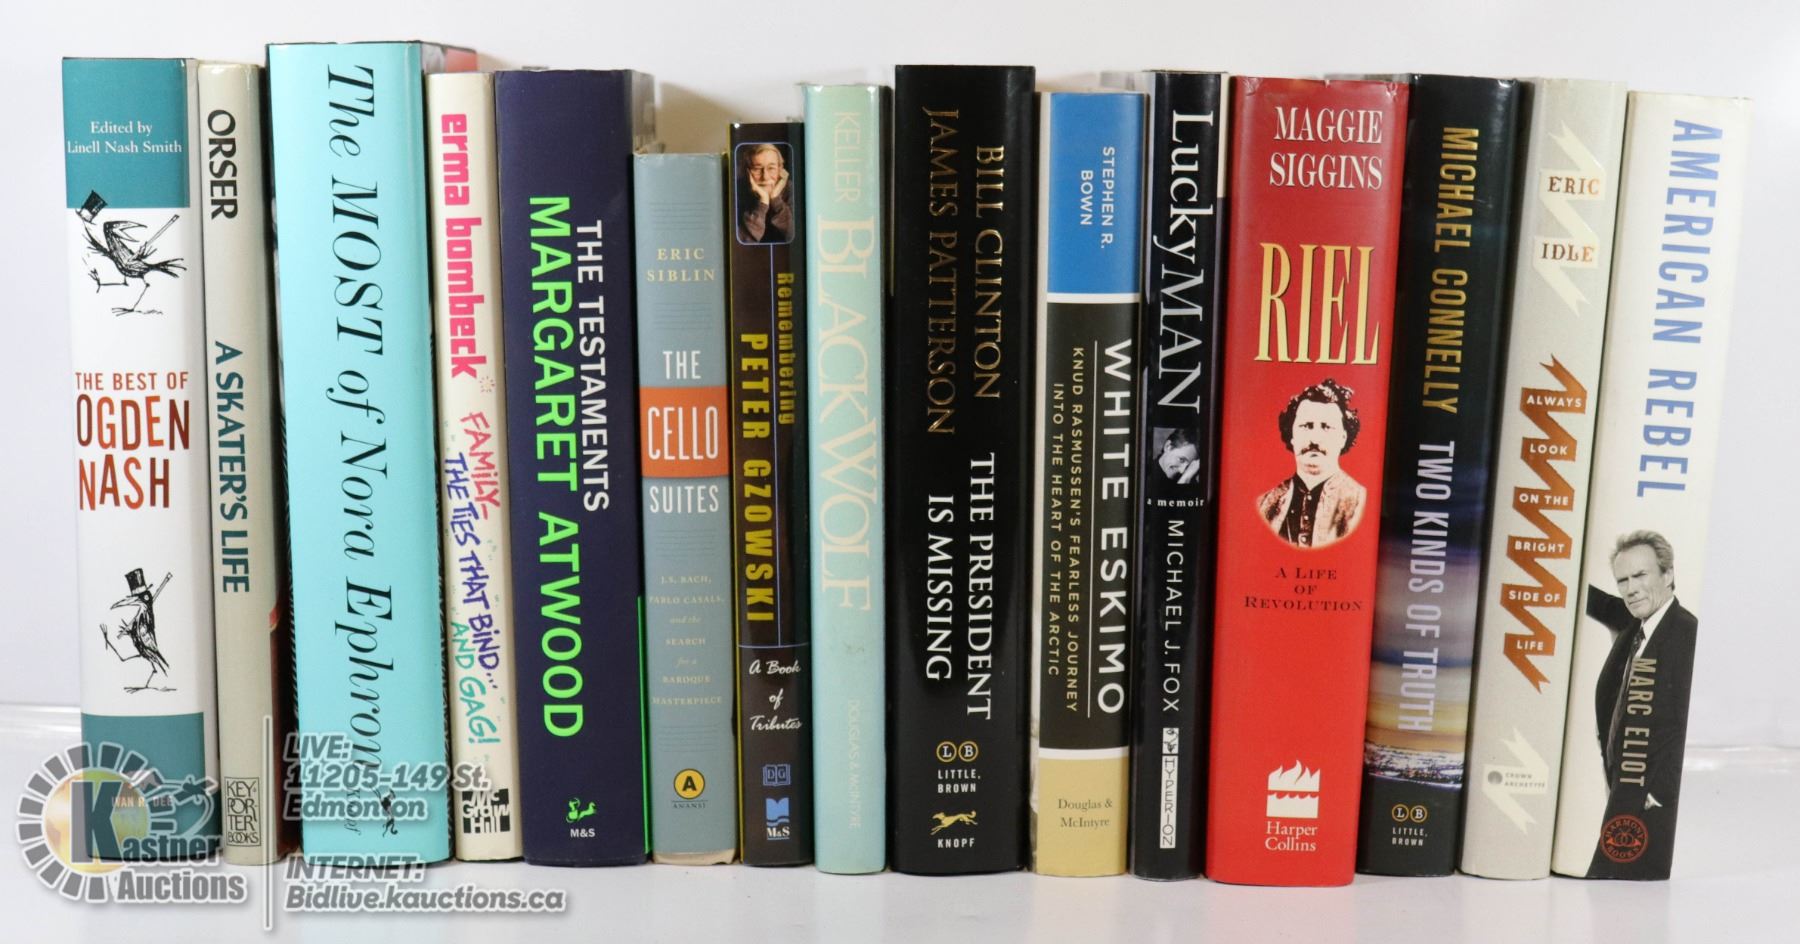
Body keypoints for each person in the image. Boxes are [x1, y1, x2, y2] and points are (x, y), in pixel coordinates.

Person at [1583, 529, 1696, 877]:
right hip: (1621, 785)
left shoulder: (1687, 632)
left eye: (1640, 575)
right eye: (1622, 580)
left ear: (1668, 574)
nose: (1631, 589)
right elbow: (1585, 596)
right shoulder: (1634, 622)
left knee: (1615, 881)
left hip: (1648, 798)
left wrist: (1658, 794)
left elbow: (1683, 722)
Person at [1255, 378, 1364, 548]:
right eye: (1306, 426)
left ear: (1343, 437)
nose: (1315, 439)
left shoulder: (1360, 501)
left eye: (1326, 427)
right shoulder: (1265, 504)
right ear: (1292, 435)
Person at [737, 143, 793, 244]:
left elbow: (793, 236)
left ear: (781, 170)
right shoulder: (739, 190)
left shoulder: (790, 189)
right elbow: (743, 243)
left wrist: (776, 199)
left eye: (771, 168)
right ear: (747, 172)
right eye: (757, 169)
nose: (765, 177)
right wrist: (762, 203)